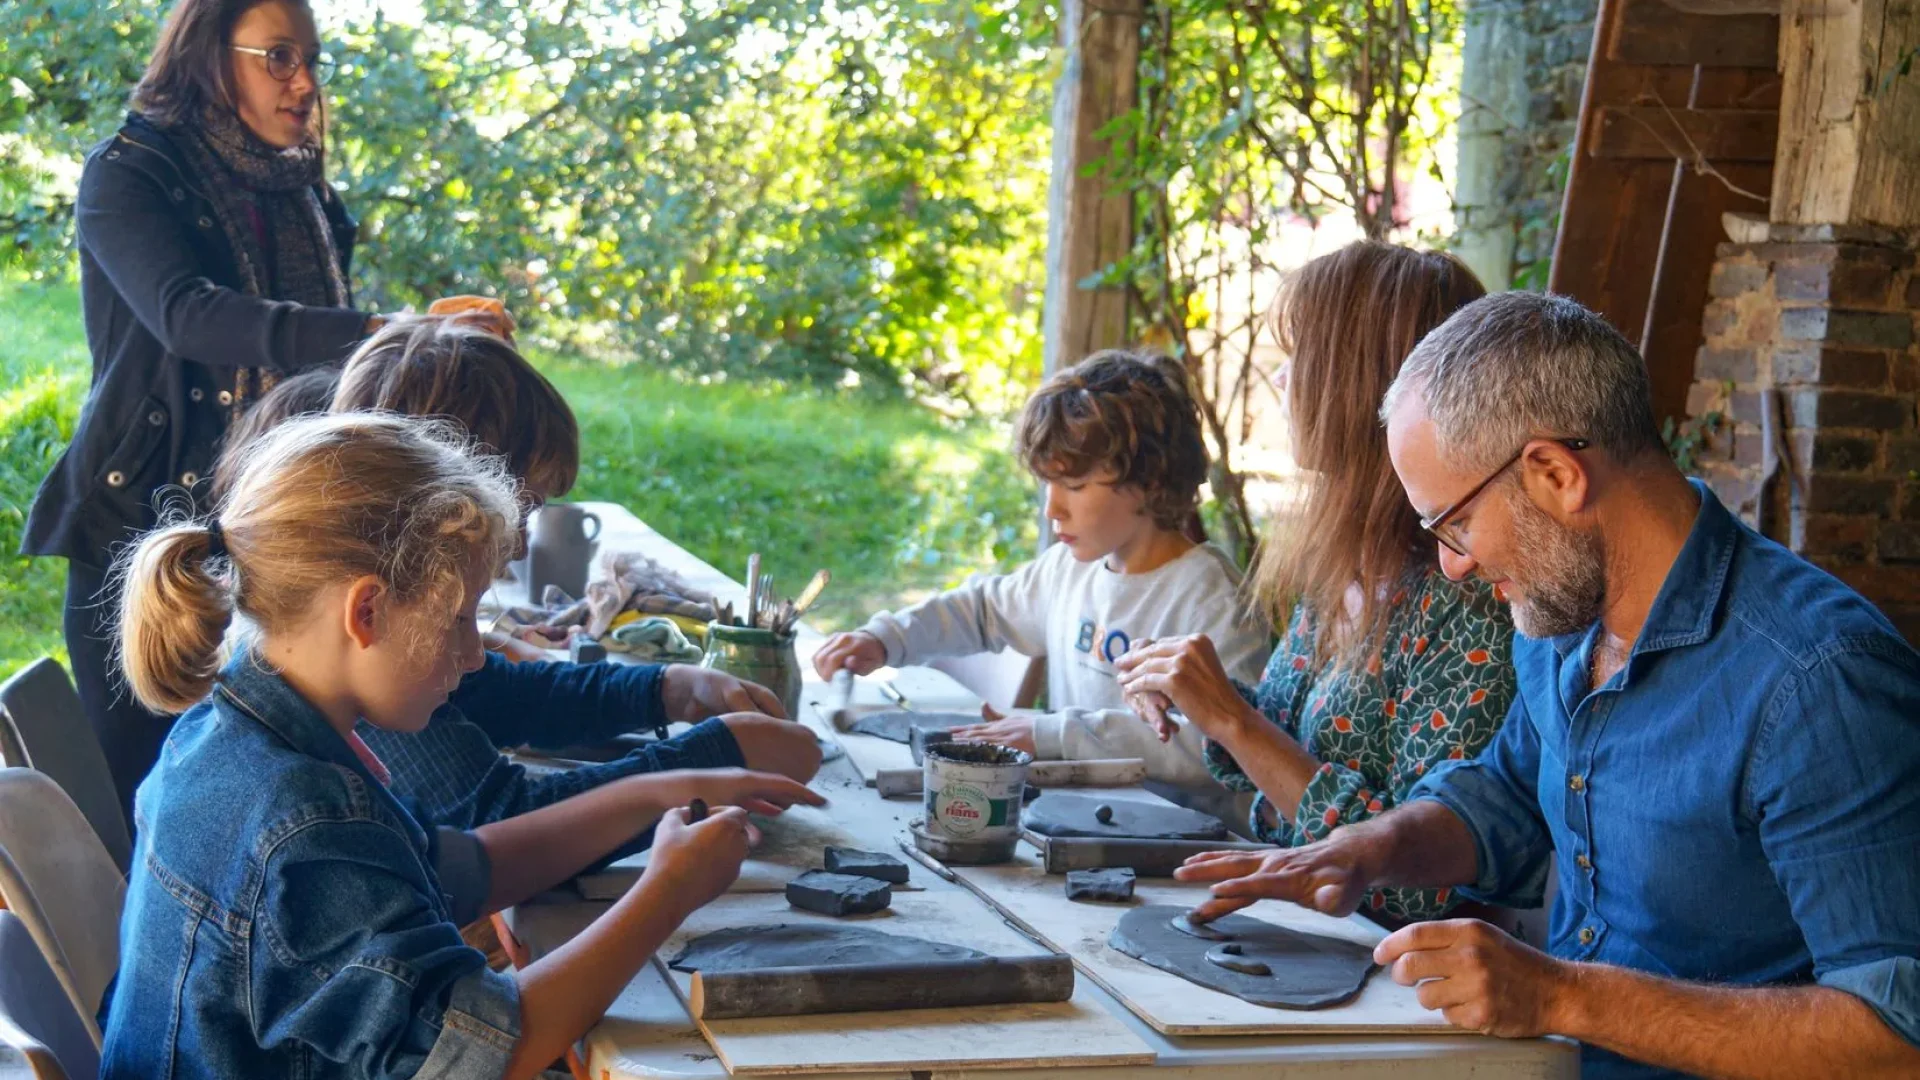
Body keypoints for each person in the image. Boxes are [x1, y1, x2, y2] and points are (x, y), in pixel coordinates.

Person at [1174, 291, 1920, 1079]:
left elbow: (1896, 1033)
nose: (1452, 565)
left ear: (1557, 474)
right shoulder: (1561, 621)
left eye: (1453, 526)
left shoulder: (1820, 680)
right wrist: (1371, 846)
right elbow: (1505, 795)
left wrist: (1565, 998)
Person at [102, 411, 822, 1078]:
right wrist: (670, 891)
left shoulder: (236, 727)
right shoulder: (305, 821)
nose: (477, 654)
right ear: (368, 610)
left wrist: (662, 793)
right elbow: (484, 1053)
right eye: (460, 620)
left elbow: (463, 870)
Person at [20, 0, 511, 817]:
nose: (305, 82)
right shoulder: (127, 172)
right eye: (279, 57)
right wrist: (383, 331)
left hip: (281, 529)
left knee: (274, 796)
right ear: (210, 55)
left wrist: (417, 345)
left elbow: (316, 369)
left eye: (313, 59)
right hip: (148, 531)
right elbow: (189, 315)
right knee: (149, 810)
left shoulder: (302, 188)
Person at [220, 316, 817, 836]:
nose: (520, 544)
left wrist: (668, 689)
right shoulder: (351, 665)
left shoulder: (343, 622)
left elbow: (491, 692)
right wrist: (708, 765)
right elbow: (496, 821)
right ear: (441, 492)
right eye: (518, 511)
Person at [1116, 242, 1513, 924]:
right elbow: (1291, 755)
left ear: (1363, 382)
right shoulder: (1347, 564)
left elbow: (1422, 881)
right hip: (1294, 928)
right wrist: (1198, 695)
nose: (1280, 379)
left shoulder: (1469, 596)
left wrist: (1235, 722)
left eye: (1302, 356)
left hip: (1392, 977)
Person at [812, 349, 1269, 803]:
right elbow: (983, 611)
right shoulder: (1069, 570)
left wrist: (1053, 734)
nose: (1052, 508)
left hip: (1188, 848)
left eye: (1073, 486)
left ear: (1150, 481)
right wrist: (886, 638)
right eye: (1046, 485)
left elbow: (1224, 747)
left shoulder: (1212, 598)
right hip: (1081, 815)